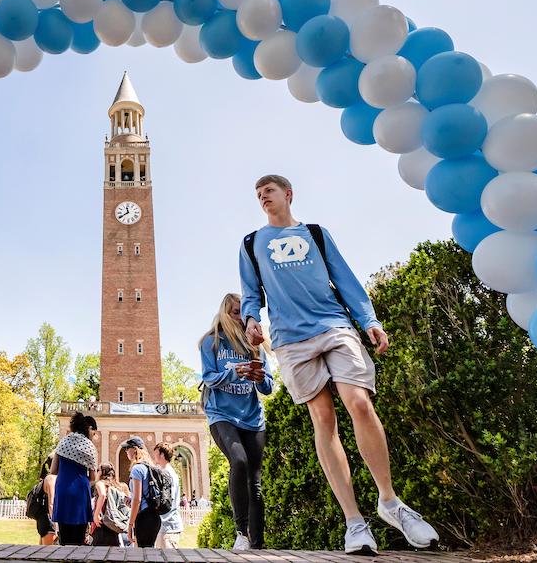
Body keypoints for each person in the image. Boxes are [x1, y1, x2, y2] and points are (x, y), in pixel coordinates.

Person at [239, 174, 440, 554]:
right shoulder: (251, 244)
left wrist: (370, 321)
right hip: (290, 339)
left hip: (333, 325)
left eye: (270, 191)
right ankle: (355, 522)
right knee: (323, 419)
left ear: (288, 194)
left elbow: (345, 279)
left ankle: (390, 502)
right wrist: (251, 320)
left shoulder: (316, 233)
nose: (263, 197)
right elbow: (251, 294)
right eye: (258, 194)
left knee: (360, 404)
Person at [199, 292, 273, 550]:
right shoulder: (211, 342)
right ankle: (241, 533)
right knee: (238, 461)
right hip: (221, 415)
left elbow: (268, 387)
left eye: (244, 311)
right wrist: (234, 371)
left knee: (255, 482)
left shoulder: (255, 342)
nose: (241, 317)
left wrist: (258, 377)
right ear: (224, 313)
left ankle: (258, 545)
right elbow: (209, 378)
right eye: (235, 312)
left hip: (252, 418)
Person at [50, 412, 99, 545]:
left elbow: (53, 470)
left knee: (64, 538)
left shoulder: (63, 442)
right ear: (86, 429)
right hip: (81, 492)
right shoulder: (90, 446)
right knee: (79, 539)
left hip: (63, 488)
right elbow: (93, 477)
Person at [120, 436, 161, 548]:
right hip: (154, 516)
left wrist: (130, 524)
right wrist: (131, 500)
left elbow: (137, 500)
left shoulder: (137, 469)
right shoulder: (150, 467)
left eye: (127, 448)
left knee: (142, 555)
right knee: (149, 554)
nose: (126, 451)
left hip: (144, 517)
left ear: (134, 449)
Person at [152, 442, 184, 548]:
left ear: (162, 455)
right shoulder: (166, 472)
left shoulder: (167, 473)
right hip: (165, 527)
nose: (154, 456)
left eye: (156, 453)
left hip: (169, 528)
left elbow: (169, 501)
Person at [90, 463, 126, 546]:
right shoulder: (116, 486)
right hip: (113, 525)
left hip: (102, 523)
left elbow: (102, 495)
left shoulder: (100, 483)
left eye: (98, 470)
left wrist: (96, 515)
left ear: (102, 472)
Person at [34, 457, 57, 545]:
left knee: (41, 552)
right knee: (49, 553)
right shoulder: (51, 479)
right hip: (49, 520)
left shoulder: (46, 478)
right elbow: (51, 504)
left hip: (44, 519)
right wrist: (56, 523)